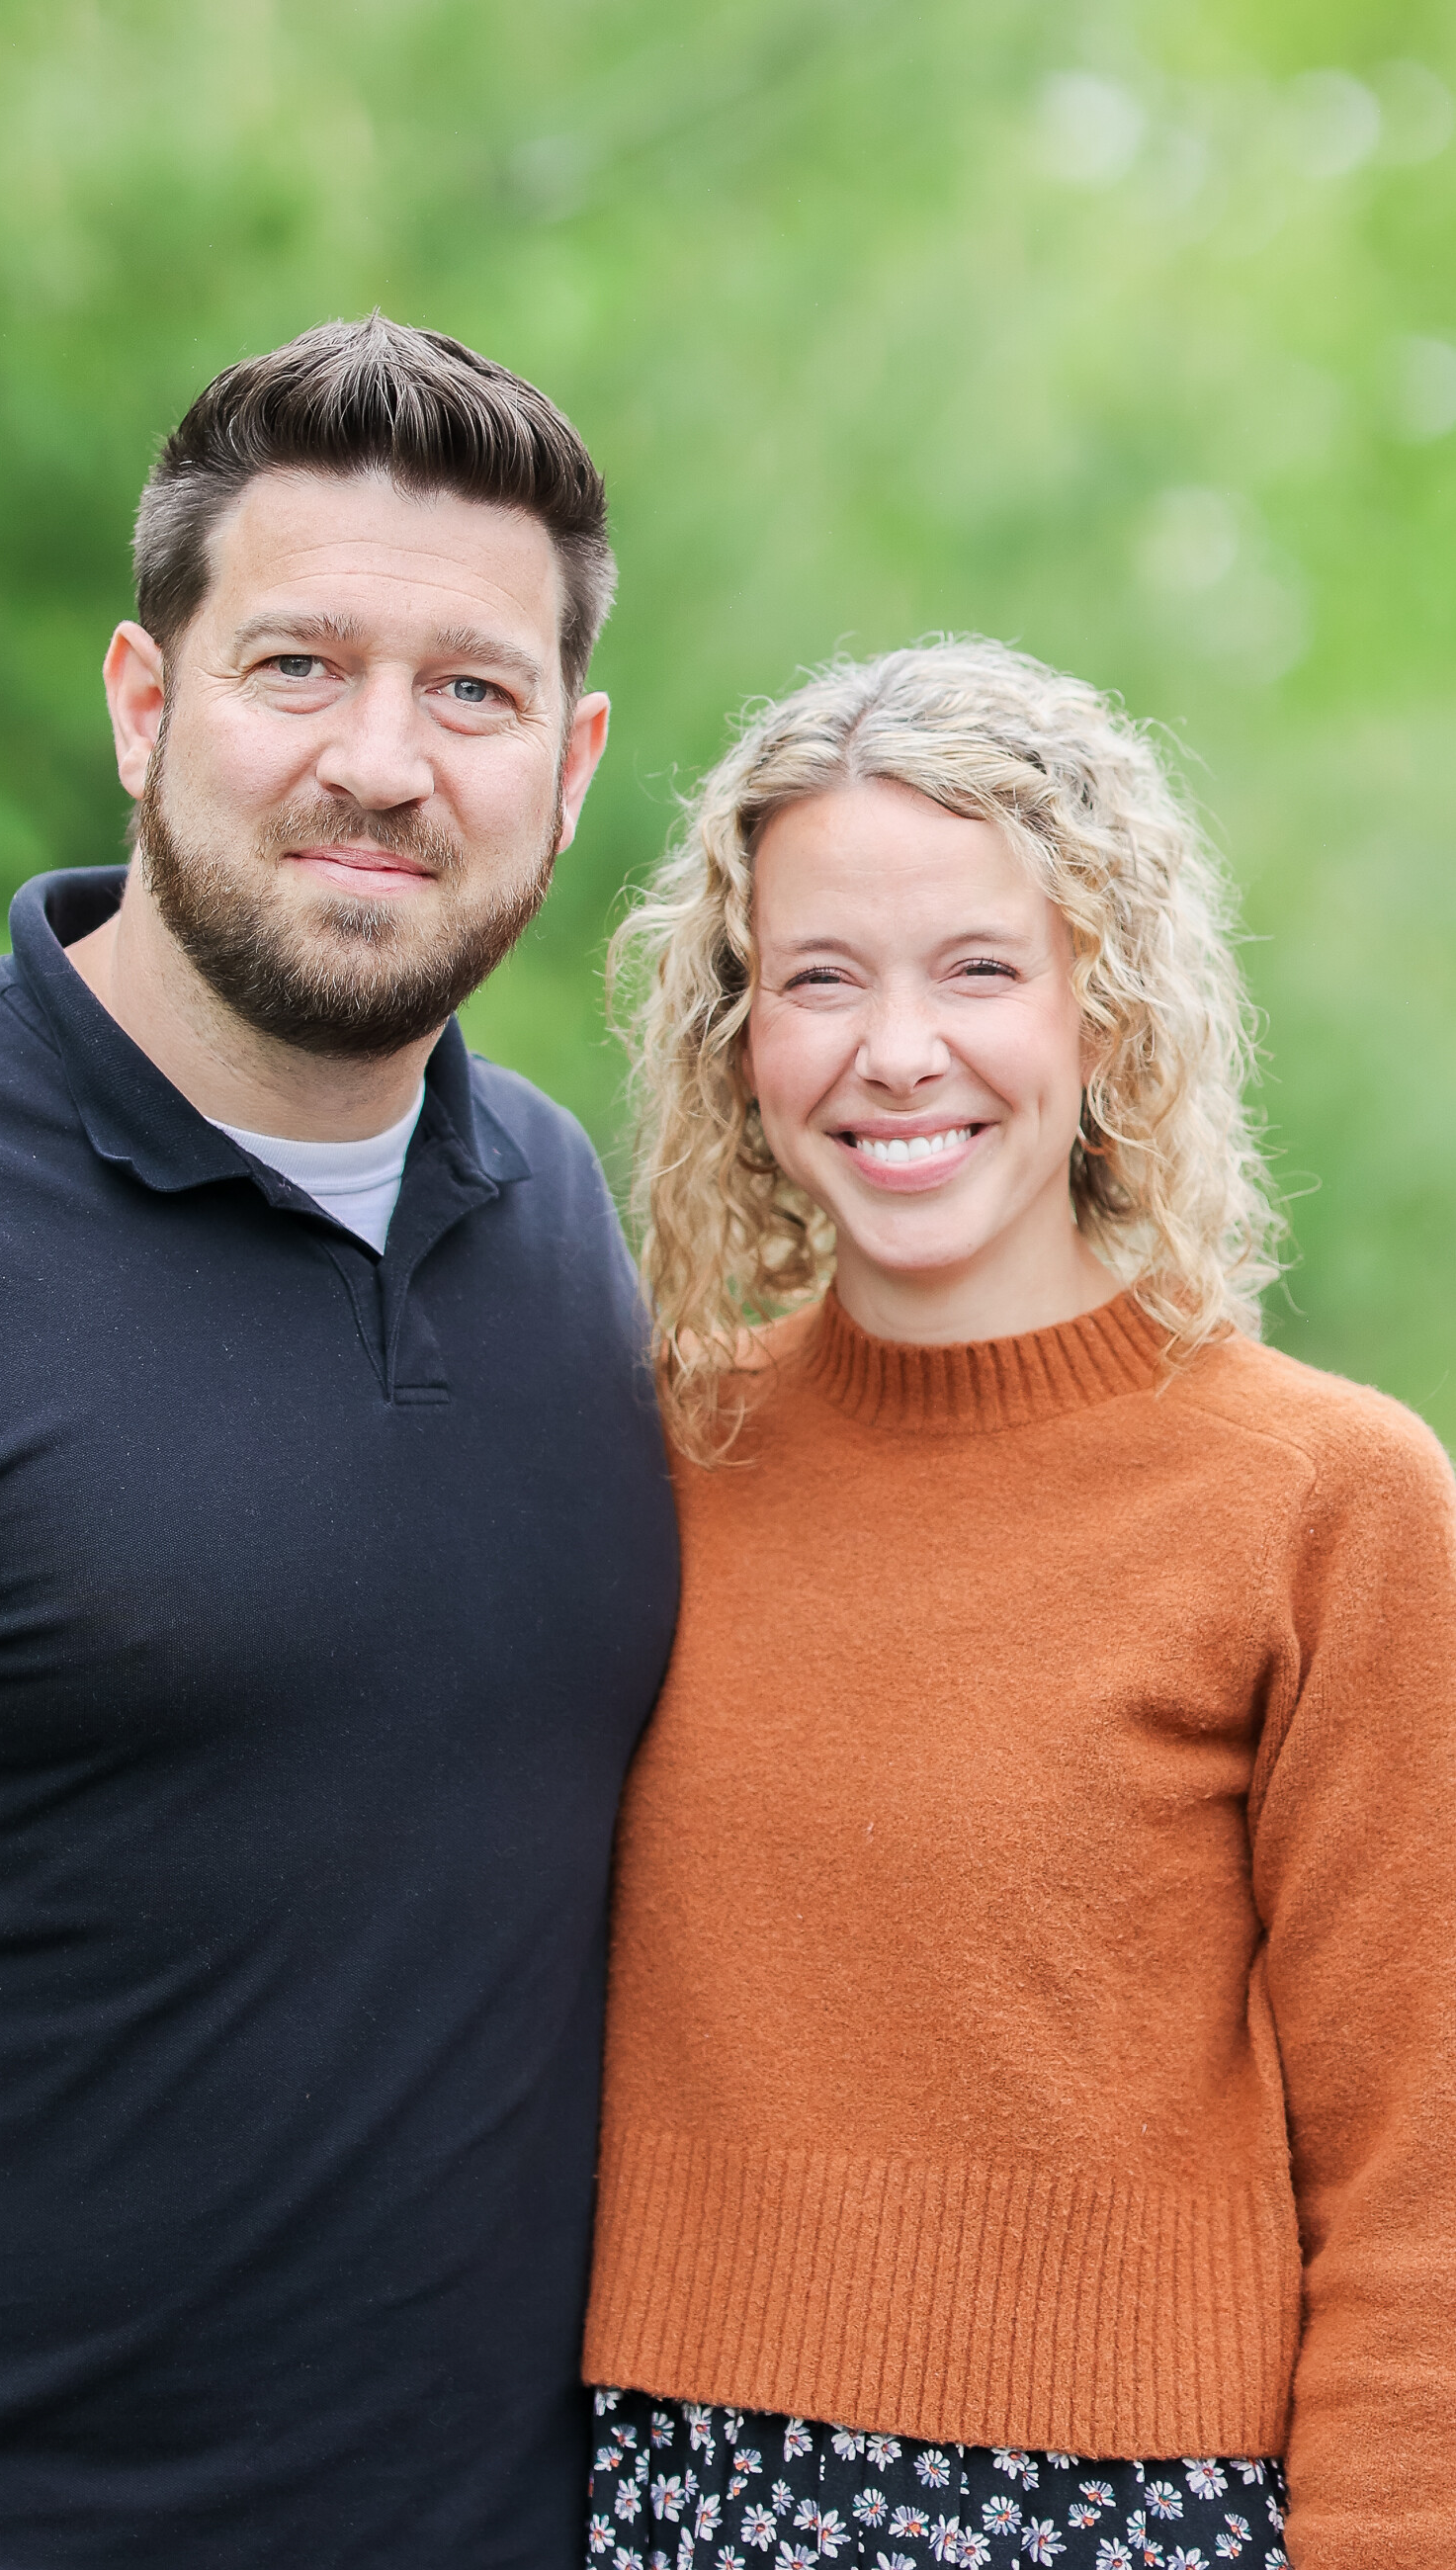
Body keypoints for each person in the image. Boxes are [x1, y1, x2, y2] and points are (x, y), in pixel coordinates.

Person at [0, 314, 678, 2569]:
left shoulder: (568, 1216)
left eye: (473, 689)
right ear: (145, 706)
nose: (384, 758)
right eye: (299, 666)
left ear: (567, 766)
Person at [580, 642, 1455, 2570]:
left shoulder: (1327, 1497)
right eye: (820, 976)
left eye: (978, 966)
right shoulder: (638, 1452)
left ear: (1104, 1010)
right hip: (660, 2490)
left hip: (1127, 2510)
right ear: (736, 1035)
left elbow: (1423, 2170)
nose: (898, 1050)